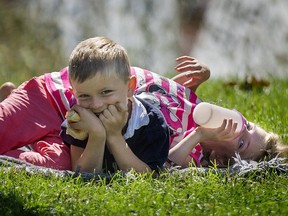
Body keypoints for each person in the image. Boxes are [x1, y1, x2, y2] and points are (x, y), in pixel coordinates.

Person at [0, 46, 287, 170]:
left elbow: (163, 152)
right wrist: (196, 81)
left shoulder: (190, 152)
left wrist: (199, 134)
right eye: (248, 124)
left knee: (35, 164)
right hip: (54, 98)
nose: (238, 125)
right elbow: (150, 96)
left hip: (76, 136)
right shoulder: (191, 101)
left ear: (222, 160)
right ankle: (16, 105)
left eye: (241, 140)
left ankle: (15, 110)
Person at [59, 37, 170, 173]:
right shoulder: (78, 122)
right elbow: (82, 175)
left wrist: (114, 135)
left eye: (106, 92)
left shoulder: (151, 123)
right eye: (84, 96)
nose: (96, 105)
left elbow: (149, 177)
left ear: (130, 87)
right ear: (74, 94)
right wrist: (97, 135)